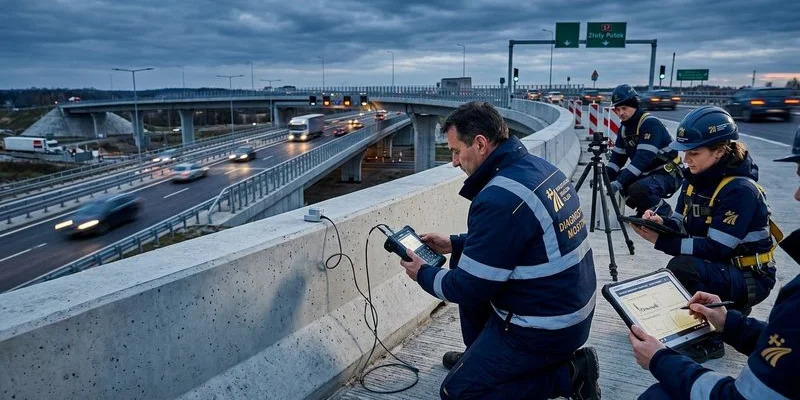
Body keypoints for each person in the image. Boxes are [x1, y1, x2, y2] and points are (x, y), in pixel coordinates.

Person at [398, 101, 600, 399]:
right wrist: (455, 242)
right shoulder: (539, 169)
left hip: (546, 328)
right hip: (569, 309)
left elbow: (467, 288)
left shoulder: (500, 197)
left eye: (456, 151)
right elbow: (514, 242)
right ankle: (480, 357)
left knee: (459, 392)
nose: (453, 162)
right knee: (465, 259)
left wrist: (424, 274)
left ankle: (569, 376)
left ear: (480, 143)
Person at [625, 125, 800, 399]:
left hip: (750, 276)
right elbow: (683, 224)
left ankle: (710, 339)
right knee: (682, 267)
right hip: (723, 268)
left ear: (720, 151)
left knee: (683, 267)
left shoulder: (740, 190)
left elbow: (716, 248)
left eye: (694, 152)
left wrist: (661, 242)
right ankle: (721, 318)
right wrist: (662, 223)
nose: (687, 160)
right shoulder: (695, 180)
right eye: (684, 153)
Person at [607, 84, 681, 218]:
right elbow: (616, 159)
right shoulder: (624, 129)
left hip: (668, 173)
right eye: (617, 109)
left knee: (637, 188)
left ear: (634, 106)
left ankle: (663, 212)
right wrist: (605, 177)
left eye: (624, 108)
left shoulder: (650, 124)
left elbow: (642, 159)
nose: (621, 113)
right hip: (649, 172)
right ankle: (644, 211)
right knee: (622, 183)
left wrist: (619, 182)